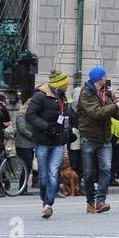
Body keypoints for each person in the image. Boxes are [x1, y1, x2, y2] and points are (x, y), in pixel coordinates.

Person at [74, 66, 119, 214]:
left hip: (105, 139)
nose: (106, 79)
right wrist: (115, 105)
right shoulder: (86, 93)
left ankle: (100, 201)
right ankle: (90, 201)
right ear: (99, 78)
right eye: (104, 76)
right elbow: (96, 113)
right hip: (89, 137)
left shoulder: (105, 93)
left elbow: (116, 114)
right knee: (88, 173)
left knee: (106, 169)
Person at [25, 72, 73, 217]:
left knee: (53, 173)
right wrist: (46, 126)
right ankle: (44, 199)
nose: (67, 85)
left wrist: (68, 132)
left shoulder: (63, 97)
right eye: (65, 83)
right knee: (44, 176)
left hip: (58, 142)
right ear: (58, 83)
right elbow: (30, 115)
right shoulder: (40, 95)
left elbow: (64, 118)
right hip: (43, 141)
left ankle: (48, 204)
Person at [13, 97, 36, 196]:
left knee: (28, 166)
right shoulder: (21, 116)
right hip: (22, 145)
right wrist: (34, 137)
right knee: (26, 166)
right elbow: (22, 129)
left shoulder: (31, 116)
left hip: (30, 145)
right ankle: (22, 188)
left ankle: (24, 187)